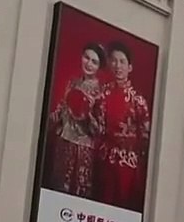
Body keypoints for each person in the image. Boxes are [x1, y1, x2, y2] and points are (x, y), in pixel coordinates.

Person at [92, 41, 151, 211]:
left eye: (122, 62)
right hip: (104, 160)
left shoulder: (138, 101)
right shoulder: (102, 94)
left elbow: (145, 137)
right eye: (114, 61)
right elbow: (97, 129)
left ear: (130, 67)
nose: (118, 66)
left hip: (128, 164)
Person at [46, 43, 104, 197]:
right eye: (87, 58)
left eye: (94, 62)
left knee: (77, 193)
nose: (89, 64)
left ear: (99, 67)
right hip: (63, 141)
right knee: (57, 188)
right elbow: (61, 109)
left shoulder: (101, 92)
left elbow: (100, 130)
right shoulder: (72, 82)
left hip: (83, 149)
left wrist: (87, 113)